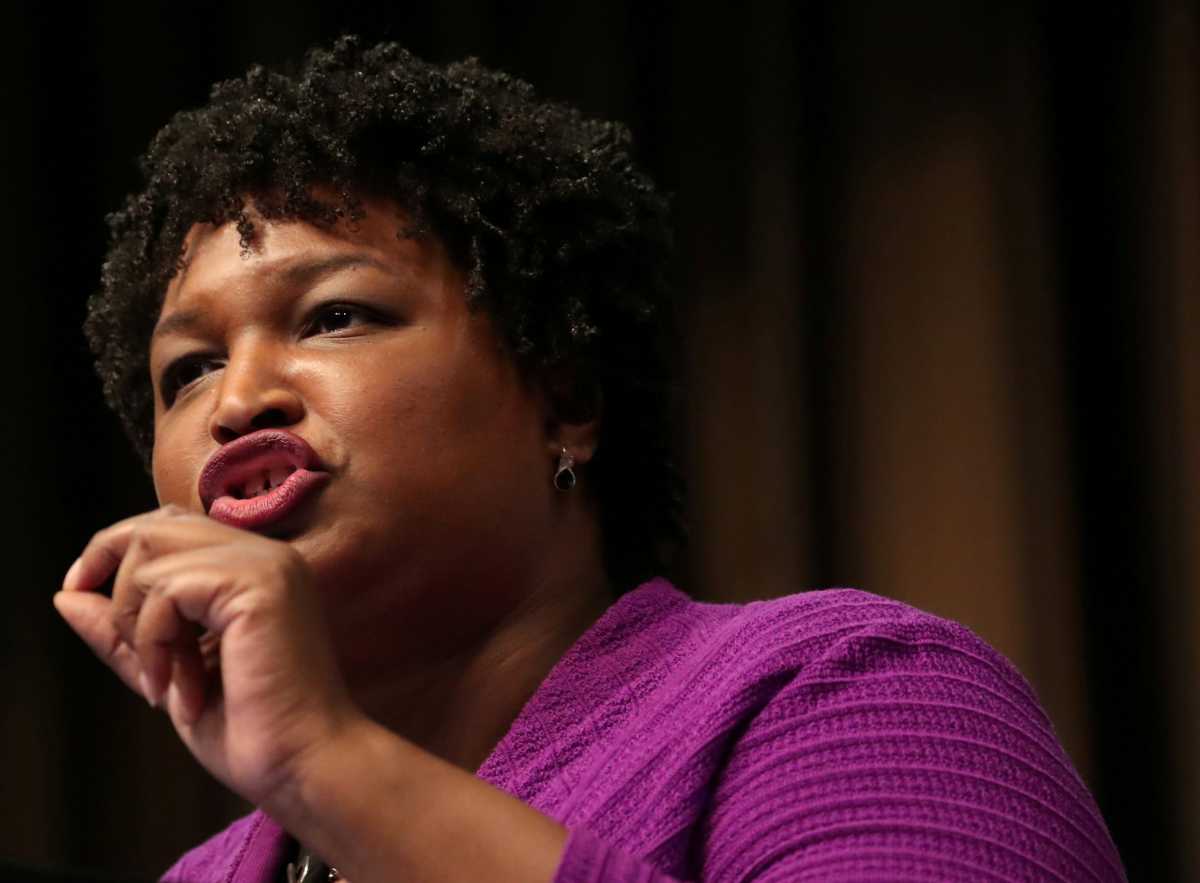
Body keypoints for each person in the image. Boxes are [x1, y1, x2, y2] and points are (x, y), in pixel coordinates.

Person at [54, 36, 1127, 883]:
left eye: (335, 315)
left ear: (563, 397)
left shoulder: (848, 692)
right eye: (186, 372)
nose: (239, 399)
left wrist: (333, 769)